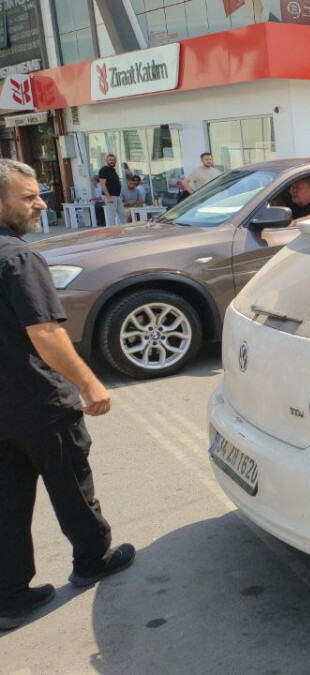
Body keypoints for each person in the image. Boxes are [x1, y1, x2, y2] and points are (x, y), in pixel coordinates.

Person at [0, 159, 135, 631]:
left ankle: (10, 595)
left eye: (39, 194)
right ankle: (93, 560)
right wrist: (89, 383)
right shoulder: (17, 257)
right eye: (29, 197)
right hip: (38, 403)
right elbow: (46, 333)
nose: (42, 203)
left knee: (7, 502)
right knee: (72, 486)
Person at [97, 154, 124, 228]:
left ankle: (123, 229)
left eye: (113, 160)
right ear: (107, 161)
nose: (112, 161)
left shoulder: (113, 170)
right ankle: (111, 232)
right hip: (110, 196)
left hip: (117, 196)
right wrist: (108, 196)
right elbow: (102, 184)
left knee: (122, 214)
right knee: (111, 215)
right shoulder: (103, 170)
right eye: (110, 160)